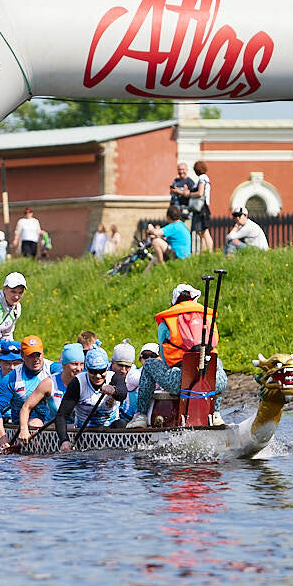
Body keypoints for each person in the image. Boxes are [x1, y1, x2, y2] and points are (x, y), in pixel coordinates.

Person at [134, 283, 228, 424]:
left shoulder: (167, 321)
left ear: (174, 301)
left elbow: (165, 359)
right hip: (214, 381)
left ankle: (140, 416)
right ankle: (215, 414)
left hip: (179, 381)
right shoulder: (208, 318)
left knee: (148, 365)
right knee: (217, 362)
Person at [0, 335, 54, 449]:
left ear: (43, 353)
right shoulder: (12, 378)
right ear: (22, 356)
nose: (36, 359)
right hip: (26, 427)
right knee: (35, 423)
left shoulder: (54, 369)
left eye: (38, 354)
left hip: (54, 422)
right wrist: (2, 437)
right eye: (31, 356)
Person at [55, 346, 130, 448]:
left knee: (122, 423)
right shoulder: (78, 383)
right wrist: (64, 440)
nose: (98, 376)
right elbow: (62, 415)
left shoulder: (114, 377)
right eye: (93, 372)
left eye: (101, 371)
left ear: (107, 368)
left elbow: (123, 394)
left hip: (111, 429)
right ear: (87, 369)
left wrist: (114, 391)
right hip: (85, 432)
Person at [20, 342, 86, 432]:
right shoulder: (49, 383)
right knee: (33, 423)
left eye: (81, 364)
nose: (79, 369)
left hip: (79, 430)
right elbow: (26, 407)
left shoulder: (86, 381)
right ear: (64, 365)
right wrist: (23, 430)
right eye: (74, 364)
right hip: (53, 431)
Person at [187, 160, 214, 252]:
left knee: (205, 232)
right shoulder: (203, 178)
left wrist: (189, 194)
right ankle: (204, 252)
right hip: (202, 208)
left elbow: (200, 193)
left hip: (202, 208)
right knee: (200, 232)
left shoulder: (202, 178)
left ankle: (209, 252)